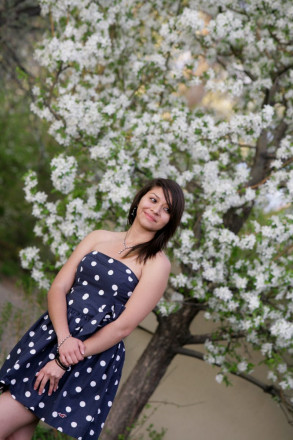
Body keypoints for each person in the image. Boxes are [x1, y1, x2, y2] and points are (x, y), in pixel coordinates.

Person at [0, 177, 185, 440]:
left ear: (170, 221)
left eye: (166, 209)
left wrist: (64, 359)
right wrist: (63, 339)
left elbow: (123, 326)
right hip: (52, 334)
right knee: (18, 431)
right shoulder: (99, 237)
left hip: (86, 354)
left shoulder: (157, 263)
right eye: (153, 200)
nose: (156, 209)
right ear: (140, 199)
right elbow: (58, 288)